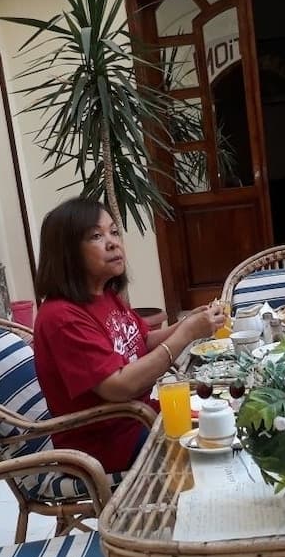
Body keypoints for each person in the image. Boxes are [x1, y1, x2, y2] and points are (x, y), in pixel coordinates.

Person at [33, 197, 224, 475]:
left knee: (227, 413)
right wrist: (185, 335)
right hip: (107, 445)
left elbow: (142, 342)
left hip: (140, 419)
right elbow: (119, 386)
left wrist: (189, 322)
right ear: (67, 252)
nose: (113, 242)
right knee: (218, 452)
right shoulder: (61, 317)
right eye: (96, 236)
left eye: (113, 232)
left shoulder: (104, 294)